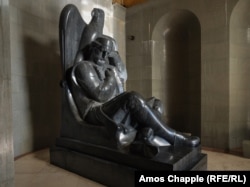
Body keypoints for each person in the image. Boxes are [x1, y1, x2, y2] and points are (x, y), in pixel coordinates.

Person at [66, 35, 200, 149]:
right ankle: (175, 138)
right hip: (97, 111)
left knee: (156, 103)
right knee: (133, 98)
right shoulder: (84, 67)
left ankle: (145, 134)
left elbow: (123, 75)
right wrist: (111, 78)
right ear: (92, 49)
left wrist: (114, 54)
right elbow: (100, 95)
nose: (104, 55)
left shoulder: (107, 66)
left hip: (112, 106)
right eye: (101, 51)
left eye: (107, 53)